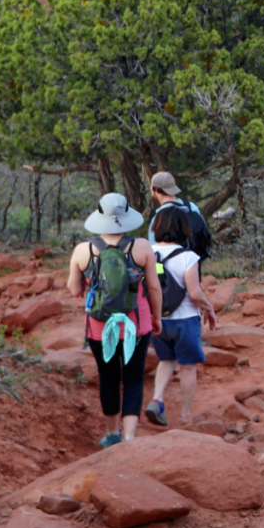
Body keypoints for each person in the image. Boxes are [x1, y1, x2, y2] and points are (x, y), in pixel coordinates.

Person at [67, 192, 162, 447]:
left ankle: (112, 435)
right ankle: (129, 438)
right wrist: (157, 317)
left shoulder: (83, 250)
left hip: (99, 329)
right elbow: (154, 287)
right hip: (136, 326)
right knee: (133, 379)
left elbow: (74, 290)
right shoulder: (141, 247)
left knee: (108, 378)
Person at [144, 203, 217, 428]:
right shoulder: (188, 257)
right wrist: (209, 307)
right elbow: (194, 293)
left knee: (166, 359)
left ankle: (157, 399)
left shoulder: (147, 254)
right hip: (185, 320)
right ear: (184, 228)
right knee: (188, 366)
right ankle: (185, 416)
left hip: (157, 321)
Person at [146, 170, 214, 260]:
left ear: (154, 190)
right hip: (195, 262)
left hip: (170, 269)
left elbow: (154, 249)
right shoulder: (191, 207)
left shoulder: (158, 218)